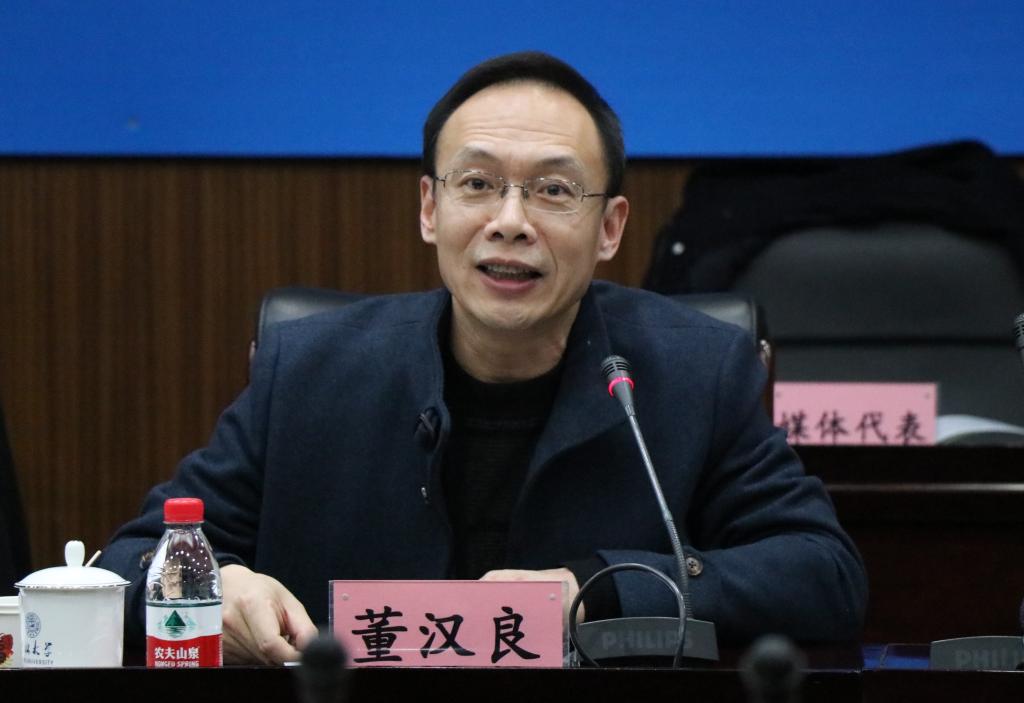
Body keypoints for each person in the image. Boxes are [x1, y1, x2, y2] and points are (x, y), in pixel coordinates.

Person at [99, 51, 867, 664]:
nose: (510, 221)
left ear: (610, 227)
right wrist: (219, 585)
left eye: (553, 191)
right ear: (430, 208)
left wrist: (598, 589)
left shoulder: (695, 371)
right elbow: (129, 560)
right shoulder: (308, 370)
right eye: (477, 183)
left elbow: (823, 574)